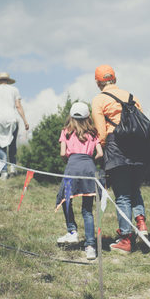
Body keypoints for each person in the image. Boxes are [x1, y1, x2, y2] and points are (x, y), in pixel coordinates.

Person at [91, 64, 150, 254]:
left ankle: (126, 239)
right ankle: (141, 224)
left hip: (116, 147)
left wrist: (101, 149)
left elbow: (101, 132)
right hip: (139, 148)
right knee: (135, 189)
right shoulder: (131, 96)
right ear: (115, 79)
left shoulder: (99, 100)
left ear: (98, 82)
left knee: (123, 194)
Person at [55, 102, 103, 260]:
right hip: (89, 168)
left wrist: (69, 160)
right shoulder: (93, 133)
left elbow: (63, 153)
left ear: (71, 116)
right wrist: (90, 160)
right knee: (87, 210)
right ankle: (90, 246)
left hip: (72, 167)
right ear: (88, 117)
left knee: (65, 199)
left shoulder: (66, 132)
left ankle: (72, 231)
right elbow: (100, 154)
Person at [0, 72, 29, 179]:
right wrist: (25, 121)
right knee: (12, 145)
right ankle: (12, 168)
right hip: (12, 119)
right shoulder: (14, 90)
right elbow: (18, 106)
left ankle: (3, 172)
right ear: (8, 81)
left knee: (2, 146)